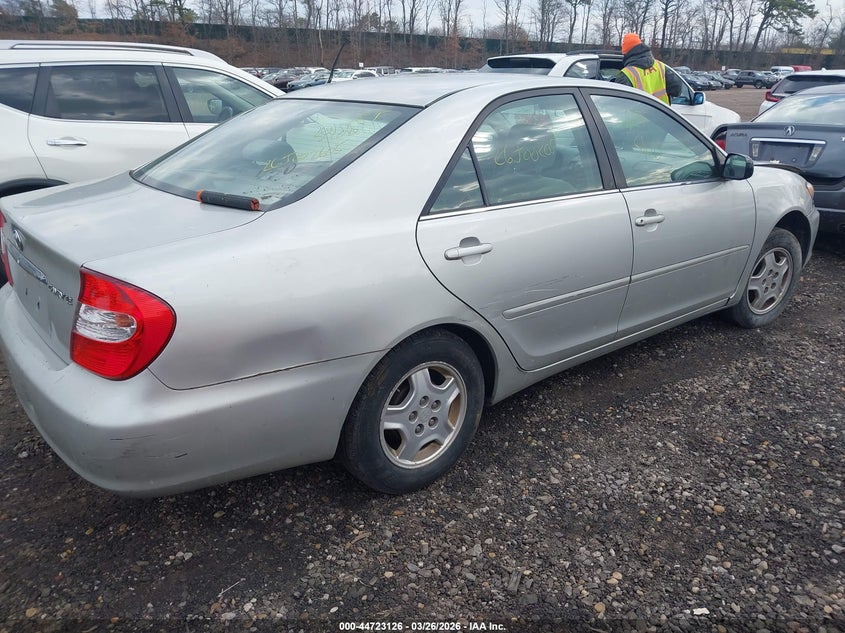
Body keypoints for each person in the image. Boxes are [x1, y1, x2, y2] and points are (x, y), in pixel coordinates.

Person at [613, 33, 682, 105]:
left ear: (626, 53)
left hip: (637, 116)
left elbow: (619, 105)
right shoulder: (661, 67)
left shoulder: (627, 75)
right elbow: (677, 90)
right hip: (661, 114)